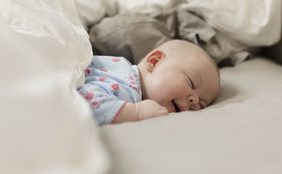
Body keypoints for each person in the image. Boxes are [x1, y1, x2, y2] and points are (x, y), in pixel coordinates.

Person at [78, 40, 220, 125]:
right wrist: (135, 112)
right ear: (154, 62)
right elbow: (81, 101)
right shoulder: (124, 81)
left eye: (201, 104)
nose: (194, 100)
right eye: (190, 82)